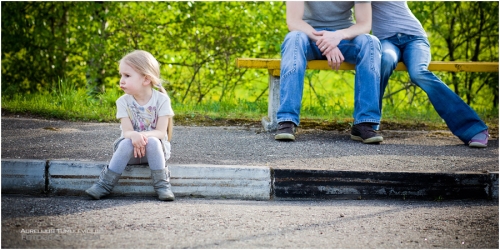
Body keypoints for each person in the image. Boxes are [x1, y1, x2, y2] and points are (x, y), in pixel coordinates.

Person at [371, 1, 489, 148]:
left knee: (418, 73)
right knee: (385, 61)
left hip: (414, 38)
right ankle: (368, 123)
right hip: (386, 41)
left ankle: (473, 129)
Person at [275, 1, 383, 144]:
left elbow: (364, 25)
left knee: (371, 42)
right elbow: (294, 21)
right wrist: (326, 42)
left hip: (343, 38)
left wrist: (338, 36)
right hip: (309, 36)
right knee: (293, 39)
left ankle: (364, 123)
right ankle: (287, 121)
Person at [86, 50, 176, 201]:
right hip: (130, 153)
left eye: (127, 76)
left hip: (154, 153)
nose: (121, 80)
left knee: (153, 141)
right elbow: (127, 131)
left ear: (146, 79)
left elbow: (160, 132)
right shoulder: (123, 102)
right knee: (127, 143)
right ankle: (104, 185)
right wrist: (134, 136)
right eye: (121, 75)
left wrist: (140, 136)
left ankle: (162, 186)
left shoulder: (162, 100)